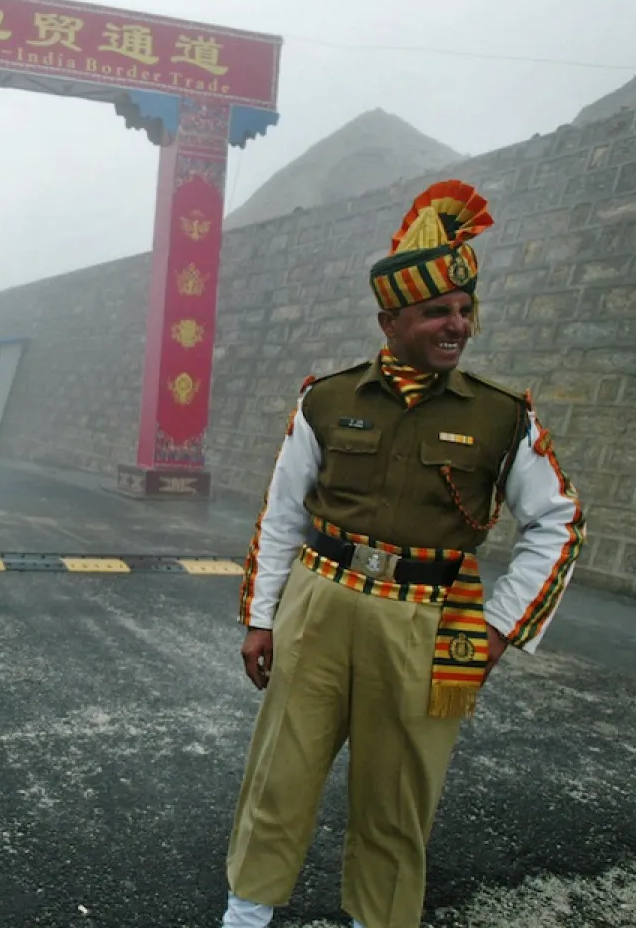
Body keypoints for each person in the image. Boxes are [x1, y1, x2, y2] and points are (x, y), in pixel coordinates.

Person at [219, 180, 586, 928]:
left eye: (464, 310)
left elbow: (560, 522)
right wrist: (261, 619)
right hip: (318, 606)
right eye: (436, 312)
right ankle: (245, 917)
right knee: (278, 777)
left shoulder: (501, 415)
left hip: (431, 622)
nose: (458, 326)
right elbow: (283, 512)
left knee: (397, 798)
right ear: (390, 320)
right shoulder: (325, 398)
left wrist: (497, 627)